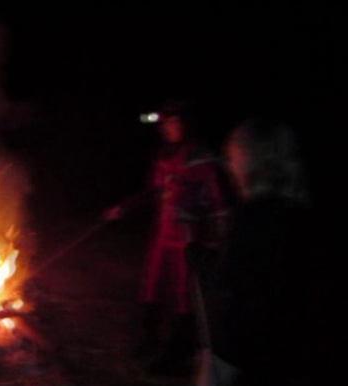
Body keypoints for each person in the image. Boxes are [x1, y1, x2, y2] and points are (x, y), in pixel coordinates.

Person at [106, 101, 228, 374]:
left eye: (174, 122)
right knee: (151, 289)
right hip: (162, 236)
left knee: (186, 297)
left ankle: (179, 353)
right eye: (166, 123)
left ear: (186, 124)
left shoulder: (201, 156)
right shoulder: (164, 156)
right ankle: (150, 341)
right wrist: (124, 207)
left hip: (188, 239)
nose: (168, 128)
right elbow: (153, 191)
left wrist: (217, 237)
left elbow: (219, 200)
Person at [198, 119, 314, 386]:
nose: (227, 165)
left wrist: (200, 258)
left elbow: (226, 279)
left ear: (251, 160)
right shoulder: (296, 213)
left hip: (236, 342)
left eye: (232, 157)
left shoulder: (252, 216)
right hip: (280, 341)